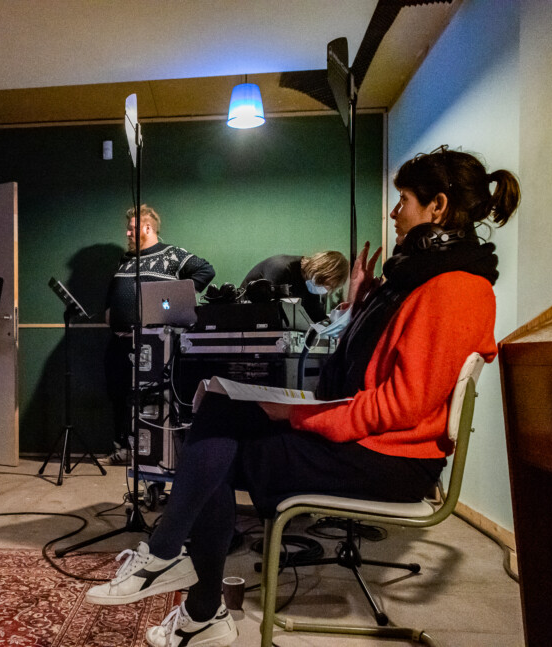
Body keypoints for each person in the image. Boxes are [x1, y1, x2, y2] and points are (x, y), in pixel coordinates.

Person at [85, 147, 519, 647]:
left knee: (216, 450)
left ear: (437, 207)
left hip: (391, 461)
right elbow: (361, 372)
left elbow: (400, 406)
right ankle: (179, 576)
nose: (394, 212)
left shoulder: (457, 289)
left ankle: (185, 586)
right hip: (371, 443)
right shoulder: (416, 282)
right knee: (218, 411)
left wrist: (298, 415)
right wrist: (359, 304)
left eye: (403, 200)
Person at [103, 204, 215, 465]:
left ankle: (152, 449)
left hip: (153, 343)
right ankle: (123, 448)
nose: (128, 233)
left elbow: (206, 270)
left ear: (147, 228)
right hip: (119, 341)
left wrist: (175, 297)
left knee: (151, 397)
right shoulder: (126, 260)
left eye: (132, 229)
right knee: (118, 394)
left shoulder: (171, 254)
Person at [240, 250, 349, 322]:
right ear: (318, 270)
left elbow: (315, 314)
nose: (324, 288)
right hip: (248, 320)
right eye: (323, 282)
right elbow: (274, 311)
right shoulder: (281, 269)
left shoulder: (310, 281)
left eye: (329, 287)